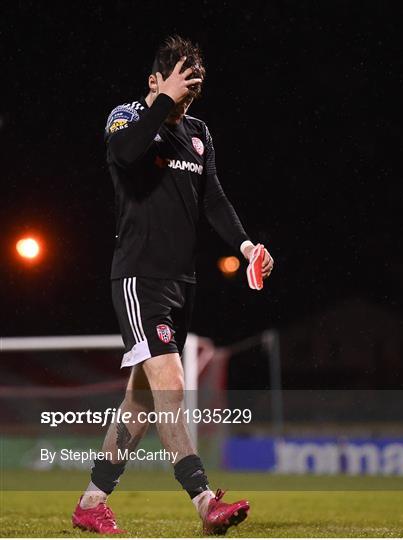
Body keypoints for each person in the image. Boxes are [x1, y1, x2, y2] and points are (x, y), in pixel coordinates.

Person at [72, 35, 274, 535]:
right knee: (169, 387)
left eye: (191, 95)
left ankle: (91, 503)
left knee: (140, 401)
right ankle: (205, 501)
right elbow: (124, 153)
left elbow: (214, 201)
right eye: (178, 91)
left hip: (181, 282)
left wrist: (247, 247)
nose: (184, 104)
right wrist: (163, 103)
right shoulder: (125, 117)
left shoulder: (198, 133)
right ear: (154, 82)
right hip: (138, 277)